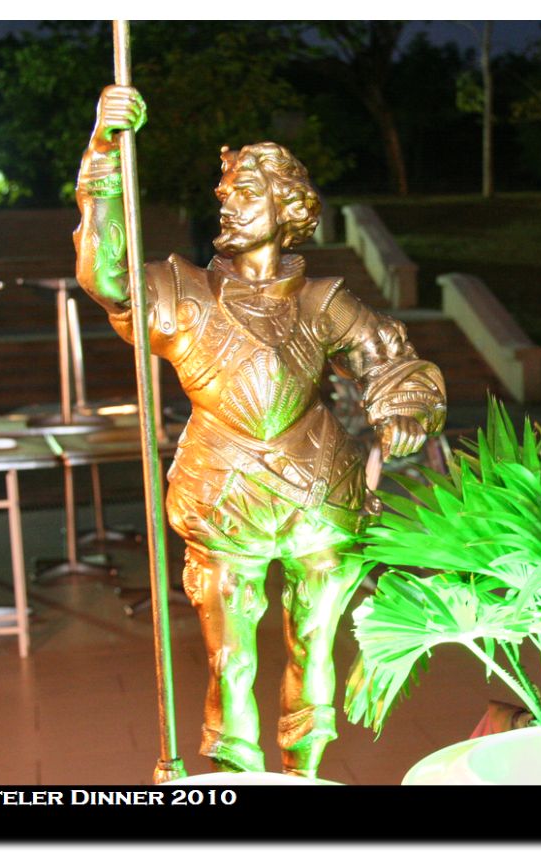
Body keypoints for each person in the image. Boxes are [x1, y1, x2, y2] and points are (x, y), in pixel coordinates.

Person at [74, 85, 446, 777]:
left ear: (286, 207)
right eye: (224, 193)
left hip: (319, 491)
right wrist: (104, 156)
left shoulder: (321, 301)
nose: (227, 204)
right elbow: (108, 277)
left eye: (245, 192)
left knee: (315, 644)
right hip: (222, 490)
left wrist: (401, 409)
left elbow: (389, 359)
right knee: (229, 659)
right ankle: (238, 784)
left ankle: (303, 776)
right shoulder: (182, 293)